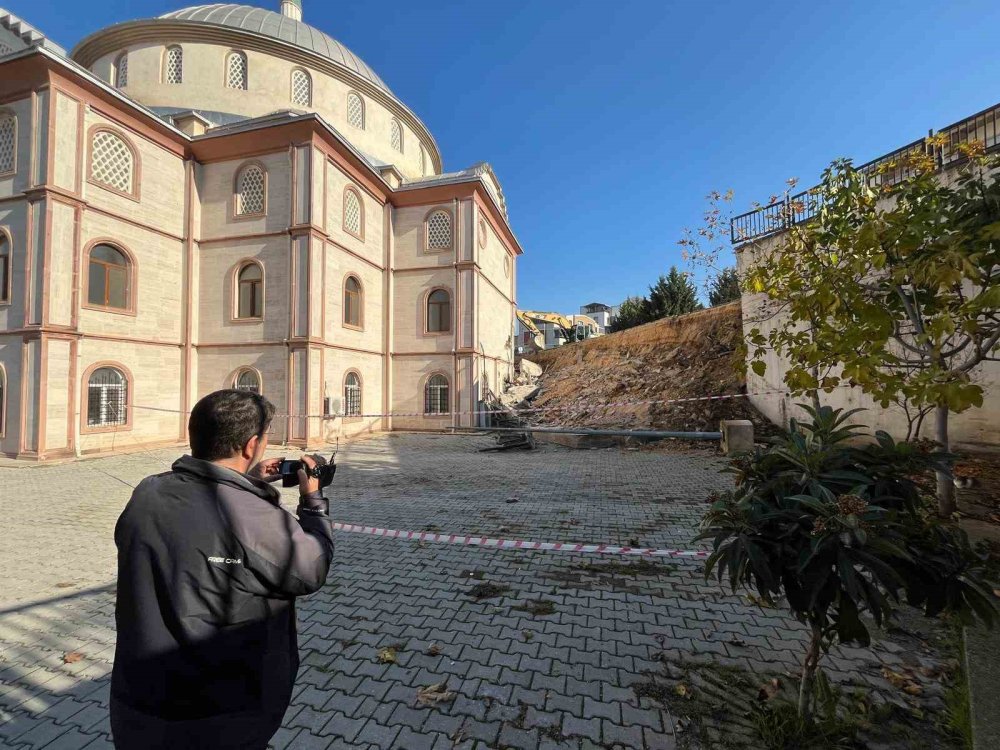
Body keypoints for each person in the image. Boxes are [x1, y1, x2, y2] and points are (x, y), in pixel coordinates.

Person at [110, 389, 335, 749]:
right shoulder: (255, 517)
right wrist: (313, 502)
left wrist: (250, 481)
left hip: (140, 702)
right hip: (219, 713)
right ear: (251, 445)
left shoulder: (147, 492)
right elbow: (310, 569)